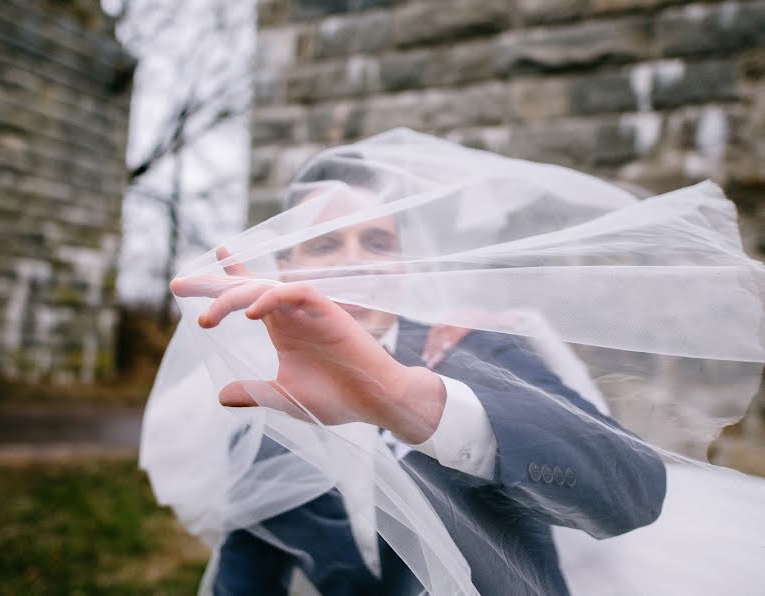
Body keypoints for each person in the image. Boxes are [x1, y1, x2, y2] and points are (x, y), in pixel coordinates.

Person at [140, 129, 765, 595]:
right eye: (324, 243)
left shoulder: (481, 349)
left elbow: (632, 493)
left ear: (404, 266)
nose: (353, 262)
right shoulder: (262, 407)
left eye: (376, 242)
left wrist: (409, 401)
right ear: (287, 269)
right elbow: (251, 568)